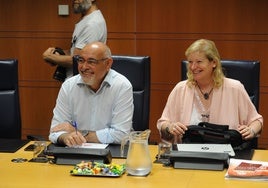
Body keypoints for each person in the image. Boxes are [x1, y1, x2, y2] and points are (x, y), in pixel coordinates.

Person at [157, 39, 263, 144]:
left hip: (227, 155)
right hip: (188, 155)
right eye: (190, 62)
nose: (193, 67)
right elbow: (163, 123)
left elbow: (257, 121)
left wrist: (251, 131)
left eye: (199, 62)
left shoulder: (235, 88)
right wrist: (169, 127)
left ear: (214, 63)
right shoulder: (180, 89)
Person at [49, 42, 134, 146]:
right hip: (76, 151)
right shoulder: (68, 86)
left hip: (111, 153)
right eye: (81, 60)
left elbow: (121, 135)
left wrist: (79, 133)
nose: (84, 67)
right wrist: (66, 137)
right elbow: (55, 131)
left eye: (91, 62)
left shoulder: (122, 86)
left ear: (108, 64)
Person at [43, 0, 107, 81]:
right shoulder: (86, 20)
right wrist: (58, 53)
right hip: (75, 80)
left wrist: (49, 57)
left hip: (82, 83)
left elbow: (77, 60)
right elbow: (75, 51)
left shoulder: (92, 24)